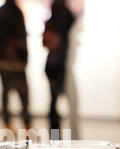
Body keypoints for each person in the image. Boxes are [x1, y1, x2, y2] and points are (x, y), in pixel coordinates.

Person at [0, 0, 30, 130]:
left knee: (21, 94)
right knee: (9, 93)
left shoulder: (14, 12)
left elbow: (22, 37)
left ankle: (24, 124)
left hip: (15, 62)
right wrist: (10, 45)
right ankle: (8, 124)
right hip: (6, 61)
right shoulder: (3, 12)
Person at [43, 0, 75, 134]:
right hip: (57, 64)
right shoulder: (63, 17)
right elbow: (48, 42)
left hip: (55, 64)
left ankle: (55, 136)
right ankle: (55, 137)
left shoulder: (56, 20)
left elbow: (47, 42)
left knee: (54, 102)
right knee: (56, 103)